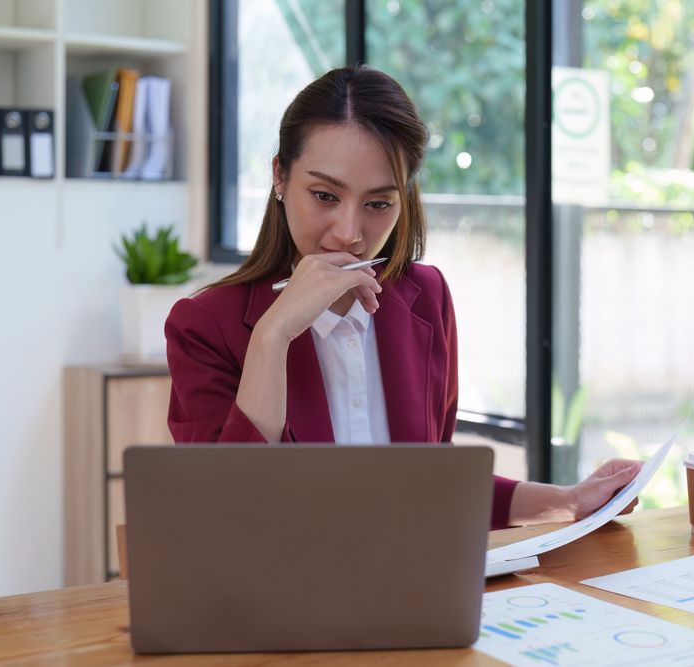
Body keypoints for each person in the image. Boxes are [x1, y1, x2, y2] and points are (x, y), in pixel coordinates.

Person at [165, 65, 641, 529]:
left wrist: (570, 502)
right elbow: (225, 515)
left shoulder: (424, 296)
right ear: (280, 178)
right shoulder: (205, 325)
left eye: (377, 204)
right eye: (325, 196)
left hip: (413, 589)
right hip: (282, 600)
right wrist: (273, 335)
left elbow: (432, 483)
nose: (349, 233)